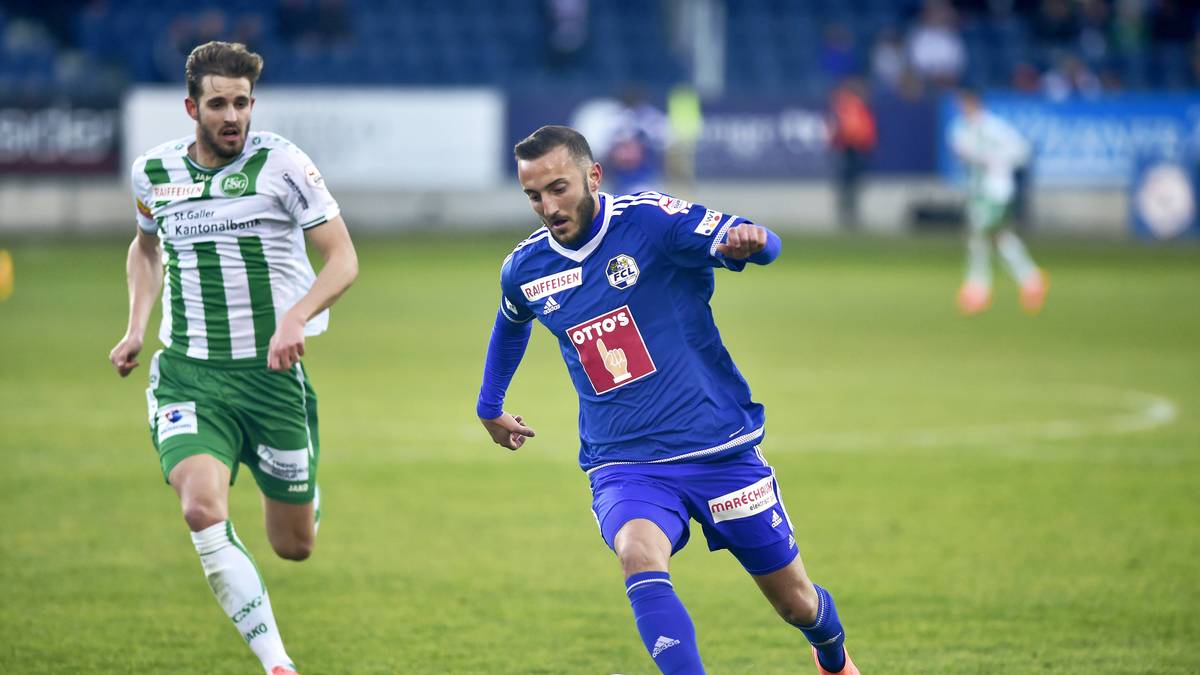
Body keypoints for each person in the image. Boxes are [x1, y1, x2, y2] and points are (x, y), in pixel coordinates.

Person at [476, 125, 860, 675]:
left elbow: (756, 240)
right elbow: (510, 323)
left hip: (718, 449)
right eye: (533, 195)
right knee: (637, 553)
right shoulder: (527, 268)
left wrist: (753, 243)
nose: (547, 206)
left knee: (796, 602)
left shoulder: (651, 220)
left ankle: (832, 653)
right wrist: (489, 404)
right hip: (624, 461)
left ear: (593, 175)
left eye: (558, 188)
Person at [108, 41, 358, 675]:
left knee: (293, 545)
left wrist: (295, 318)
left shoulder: (283, 165)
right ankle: (277, 663)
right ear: (191, 106)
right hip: (189, 375)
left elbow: (343, 258)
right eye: (218, 103)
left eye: (242, 103)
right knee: (200, 507)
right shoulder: (154, 173)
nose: (232, 116)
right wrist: (136, 327)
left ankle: (304, 488)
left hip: (271, 379)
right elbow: (145, 249)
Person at [949, 87, 1046, 315]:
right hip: (978, 192)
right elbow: (963, 154)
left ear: (975, 103)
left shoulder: (993, 127)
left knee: (978, 235)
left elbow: (1021, 151)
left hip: (996, 191)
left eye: (965, 103)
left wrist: (995, 160)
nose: (962, 108)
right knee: (999, 238)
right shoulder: (961, 129)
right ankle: (1031, 280)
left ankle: (978, 289)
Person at [828, 76, 877, 230]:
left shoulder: (849, 105)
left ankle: (849, 215)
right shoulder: (850, 105)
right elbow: (851, 129)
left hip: (853, 149)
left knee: (850, 184)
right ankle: (848, 216)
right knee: (849, 184)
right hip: (851, 149)